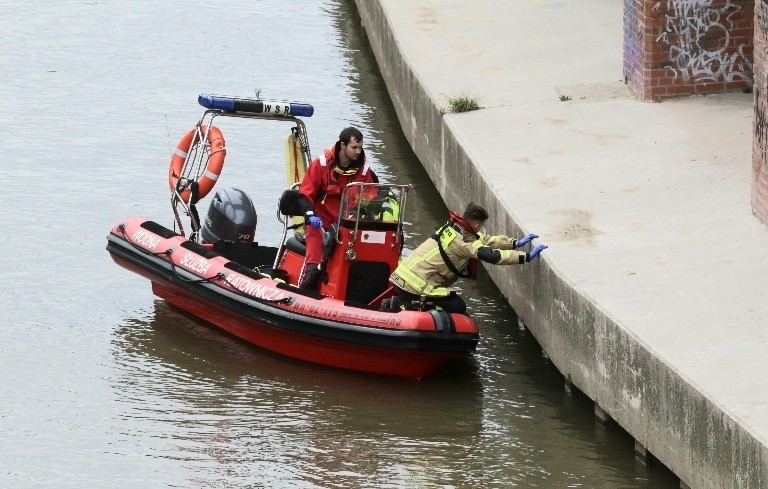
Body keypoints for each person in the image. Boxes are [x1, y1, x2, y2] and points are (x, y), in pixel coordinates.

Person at [388, 202, 548, 315]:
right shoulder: (462, 243)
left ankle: (412, 306)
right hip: (415, 286)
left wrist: (515, 243)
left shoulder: (453, 228)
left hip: (404, 278)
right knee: (457, 306)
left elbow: (485, 240)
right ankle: (409, 307)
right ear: (477, 225)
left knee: (454, 303)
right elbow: (492, 256)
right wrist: (526, 257)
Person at [297, 126, 375, 289]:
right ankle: (310, 278)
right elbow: (305, 194)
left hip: (348, 223)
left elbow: (369, 198)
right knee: (314, 268)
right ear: (343, 145)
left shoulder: (363, 170)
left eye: (360, 148)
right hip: (321, 222)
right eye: (354, 147)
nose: (358, 152)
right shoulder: (322, 165)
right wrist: (311, 215)